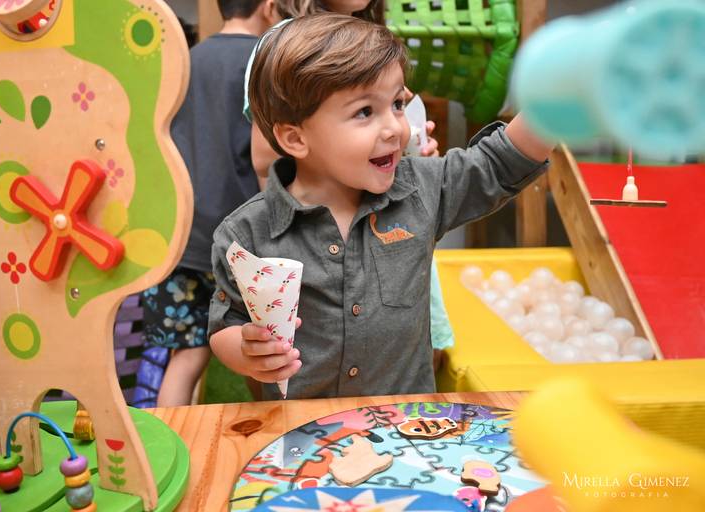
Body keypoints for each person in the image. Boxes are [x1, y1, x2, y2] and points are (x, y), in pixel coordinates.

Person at [208, 14, 553, 400]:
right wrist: (246, 352)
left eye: (398, 104)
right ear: (296, 138)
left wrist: (559, 99)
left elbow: (498, 163)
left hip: (404, 424)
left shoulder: (421, 189)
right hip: (304, 429)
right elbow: (226, 323)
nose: (394, 128)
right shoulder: (246, 233)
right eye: (365, 112)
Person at [248, 0, 456, 371]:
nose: (391, 119)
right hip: (323, 241)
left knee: (406, 348)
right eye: (363, 110)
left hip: (389, 228)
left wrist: (409, 150)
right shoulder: (288, 43)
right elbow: (264, 155)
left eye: (396, 104)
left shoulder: (375, 41)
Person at [141, 0, 281, 406]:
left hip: (184, 232)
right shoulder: (265, 61)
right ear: (269, 7)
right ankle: (270, 439)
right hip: (243, 235)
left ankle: (172, 440)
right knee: (264, 354)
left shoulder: (186, 60)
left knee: (186, 356)